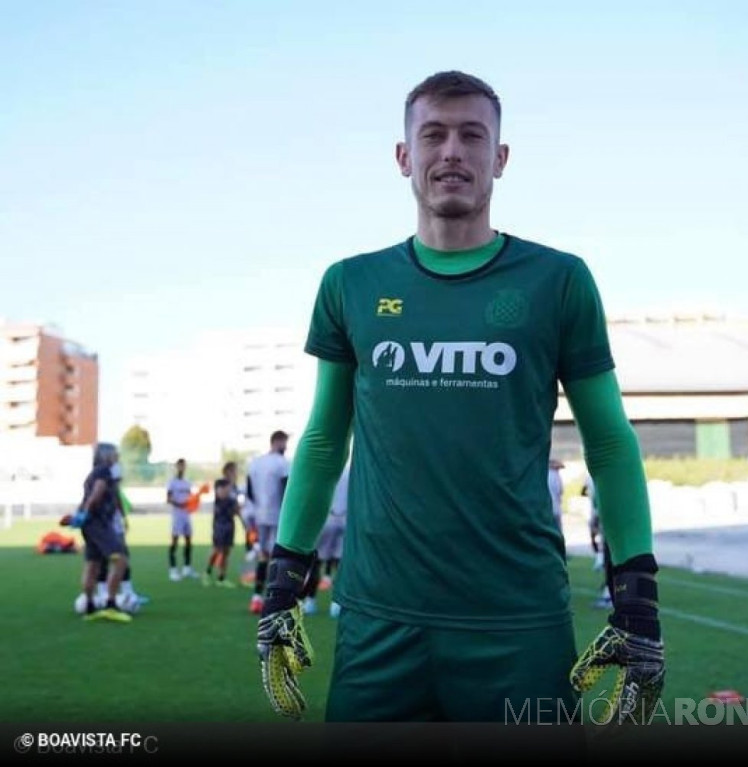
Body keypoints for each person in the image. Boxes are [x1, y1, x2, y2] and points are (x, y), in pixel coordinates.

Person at [255, 70, 664, 725]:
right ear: (403, 156)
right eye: (433, 134)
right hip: (378, 624)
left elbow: (610, 442)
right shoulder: (349, 283)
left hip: (519, 624)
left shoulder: (558, 280)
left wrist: (637, 595)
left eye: (473, 136)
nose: (452, 151)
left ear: (499, 159)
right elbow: (327, 437)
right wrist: (285, 576)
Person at [76, 442, 132, 622]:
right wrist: (87, 511)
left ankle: (90, 607)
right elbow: (97, 492)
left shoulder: (97, 472)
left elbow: (113, 497)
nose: (117, 457)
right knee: (121, 558)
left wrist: (83, 515)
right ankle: (110, 604)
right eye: (115, 454)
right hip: (98, 523)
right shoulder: (104, 471)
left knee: (93, 564)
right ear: (106, 455)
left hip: (91, 524)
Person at [246, 430, 290, 614]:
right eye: (284, 442)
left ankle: (256, 597)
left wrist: (257, 507)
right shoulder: (282, 463)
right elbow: (287, 488)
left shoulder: (256, 462)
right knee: (279, 558)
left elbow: (248, 489)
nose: (285, 447)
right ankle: (275, 599)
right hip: (278, 514)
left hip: (259, 514)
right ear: (278, 441)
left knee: (263, 556)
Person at [301, 461, 350, 615]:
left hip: (326, 518)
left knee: (317, 562)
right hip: (345, 518)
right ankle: (336, 604)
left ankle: (310, 601)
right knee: (339, 563)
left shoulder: (322, 468)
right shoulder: (351, 472)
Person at [203, 478, 242, 587]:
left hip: (230, 527)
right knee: (216, 550)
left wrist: (244, 524)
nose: (227, 490)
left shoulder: (232, 500)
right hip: (219, 528)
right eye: (225, 488)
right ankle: (207, 572)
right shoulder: (218, 500)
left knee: (226, 552)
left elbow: (237, 511)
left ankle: (221, 578)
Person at [583, 473, 613, 609]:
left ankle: (610, 595)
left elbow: (597, 501)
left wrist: (595, 517)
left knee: (610, 559)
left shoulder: (596, 477)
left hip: (607, 522)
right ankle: (611, 592)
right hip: (609, 521)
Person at [166, 458, 197, 580]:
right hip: (177, 515)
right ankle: (173, 570)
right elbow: (168, 499)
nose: (182, 468)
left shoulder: (187, 482)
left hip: (186, 515)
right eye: (180, 466)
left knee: (189, 541)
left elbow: (190, 498)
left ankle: (187, 568)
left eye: (183, 466)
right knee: (174, 541)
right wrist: (180, 504)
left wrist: (192, 503)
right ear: (176, 467)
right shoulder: (172, 482)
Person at [547, 458, 565, 535]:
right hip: (556, 507)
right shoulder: (556, 476)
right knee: (558, 530)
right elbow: (560, 491)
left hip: (546, 509)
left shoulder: (544, 475)